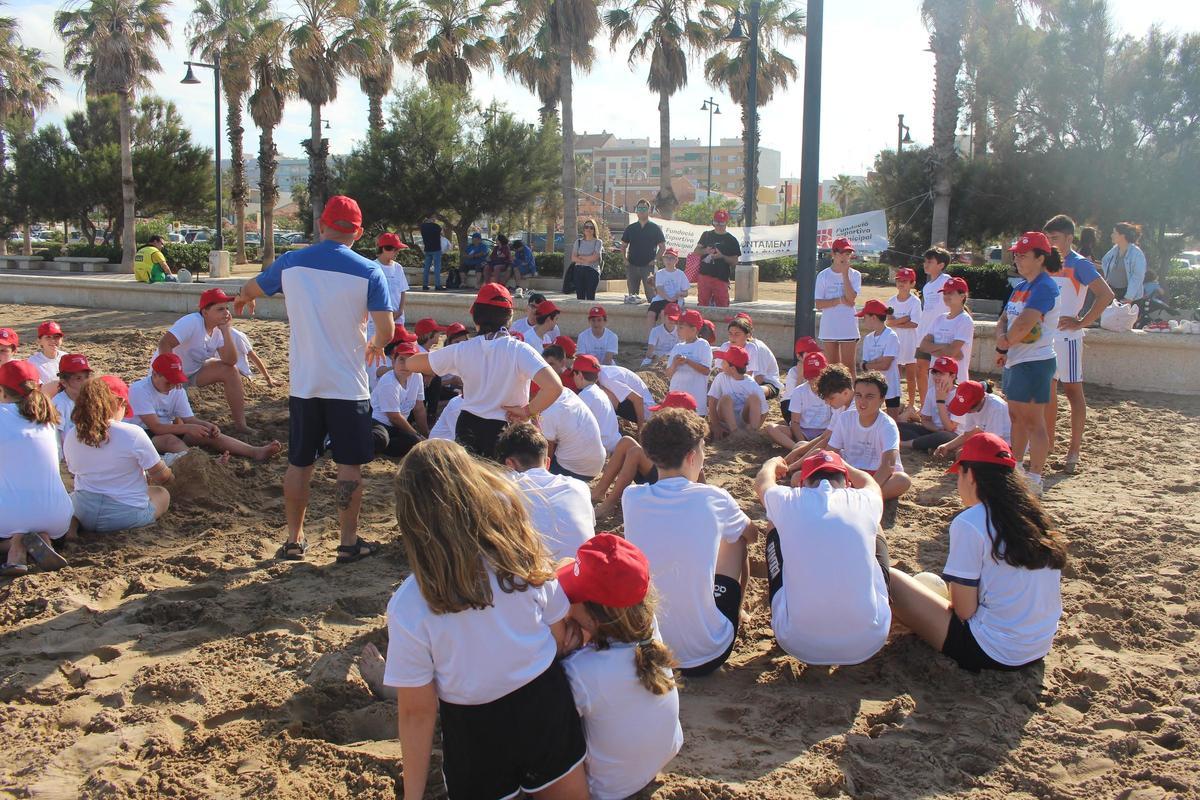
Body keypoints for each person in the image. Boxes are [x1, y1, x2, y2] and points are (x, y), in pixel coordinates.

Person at [384, 440, 589, 800]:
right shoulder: (521, 557)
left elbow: (417, 712)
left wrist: (412, 795)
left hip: (473, 725)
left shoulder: (409, 604)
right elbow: (558, 636)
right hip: (543, 702)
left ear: (410, 519)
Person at [234, 195, 395, 564]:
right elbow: (385, 328)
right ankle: (348, 542)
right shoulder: (370, 270)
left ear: (321, 225)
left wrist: (243, 298)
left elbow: (253, 287)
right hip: (347, 384)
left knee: (299, 463)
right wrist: (375, 344)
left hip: (305, 383)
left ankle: (293, 540)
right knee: (349, 466)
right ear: (358, 232)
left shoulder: (291, 262)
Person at [887, 433, 1066, 672]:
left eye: (958, 476)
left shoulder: (970, 521)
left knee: (891, 579)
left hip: (993, 650)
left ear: (969, 474)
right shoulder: (1034, 516)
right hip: (1039, 646)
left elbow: (964, 610)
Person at [622, 407, 757, 676]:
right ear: (692, 456)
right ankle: (737, 612)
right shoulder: (714, 498)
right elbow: (751, 534)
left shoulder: (632, 497)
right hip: (707, 653)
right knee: (736, 538)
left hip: (652, 652)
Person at [557, 535, 683, 800]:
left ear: (595, 618)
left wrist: (561, 649)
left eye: (571, 598)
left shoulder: (581, 671)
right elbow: (567, 565)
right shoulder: (649, 627)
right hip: (659, 757)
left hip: (606, 789)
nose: (566, 602)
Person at [754, 450, 891, 665]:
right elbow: (870, 483)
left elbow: (762, 484)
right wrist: (845, 463)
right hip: (869, 639)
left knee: (774, 518)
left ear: (803, 483)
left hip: (797, 640)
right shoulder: (863, 499)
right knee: (874, 520)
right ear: (846, 482)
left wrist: (771, 463)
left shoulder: (789, 498)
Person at [406, 283, 563, 459]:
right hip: (506, 430)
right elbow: (554, 387)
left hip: (469, 425)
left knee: (472, 482)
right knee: (500, 482)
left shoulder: (462, 349)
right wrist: (528, 411)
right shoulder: (519, 350)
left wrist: (410, 343)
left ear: (475, 316)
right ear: (509, 317)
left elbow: (412, 364)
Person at [1042, 215, 1115, 473]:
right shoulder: (1046, 263)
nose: (1050, 243)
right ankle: (1047, 445)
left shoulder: (1079, 264)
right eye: (1048, 238)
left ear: (1069, 238)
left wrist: (1082, 321)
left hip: (1069, 339)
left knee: (1073, 393)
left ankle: (1074, 449)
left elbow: (1106, 294)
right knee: (1048, 392)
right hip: (1047, 337)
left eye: (1055, 238)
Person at [996, 231, 1062, 496]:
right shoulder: (1021, 286)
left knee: (1034, 421)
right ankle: (1018, 468)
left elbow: (1025, 323)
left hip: (1035, 362)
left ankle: (1035, 477)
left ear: (1040, 257)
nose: (1018, 259)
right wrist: (1004, 342)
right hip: (1016, 359)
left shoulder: (1045, 286)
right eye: (1016, 255)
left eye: (1023, 255)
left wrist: (1003, 343)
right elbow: (1005, 318)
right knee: (1016, 418)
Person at [64, 375, 173, 534]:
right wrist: (171, 477)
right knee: (162, 494)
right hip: (125, 516)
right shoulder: (132, 433)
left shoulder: (72, 434)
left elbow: (74, 471)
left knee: (72, 497)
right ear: (119, 403)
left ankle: (71, 529)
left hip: (86, 514)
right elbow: (161, 476)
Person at [129, 353, 282, 462]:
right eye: (169, 381)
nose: (173, 386)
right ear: (155, 374)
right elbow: (156, 428)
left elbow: (190, 419)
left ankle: (254, 451)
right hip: (140, 434)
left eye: (176, 380)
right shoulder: (139, 390)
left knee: (207, 434)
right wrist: (187, 428)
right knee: (170, 440)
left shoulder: (177, 389)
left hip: (167, 429)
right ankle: (205, 463)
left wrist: (207, 425)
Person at [0, 360, 73, 577]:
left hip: (9, 517)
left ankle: (17, 546)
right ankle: (41, 539)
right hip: (57, 515)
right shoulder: (46, 418)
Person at [155, 288, 254, 435]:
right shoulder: (192, 322)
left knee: (231, 371)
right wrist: (172, 374)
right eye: (220, 309)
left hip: (193, 372)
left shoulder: (218, 329)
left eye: (226, 308)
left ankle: (241, 424)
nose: (226, 313)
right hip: (168, 374)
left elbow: (230, 360)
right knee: (179, 430)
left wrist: (226, 331)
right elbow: (164, 343)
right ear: (205, 312)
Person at [496, 423, 595, 563]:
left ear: (509, 464)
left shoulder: (504, 490)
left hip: (538, 578)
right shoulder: (579, 487)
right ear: (547, 463)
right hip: (580, 574)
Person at [827, 373, 911, 525]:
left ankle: (855, 500)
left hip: (878, 476)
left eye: (869, 396)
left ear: (882, 399)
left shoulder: (887, 425)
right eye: (858, 395)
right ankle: (855, 500)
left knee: (902, 480)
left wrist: (868, 489)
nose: (862, 401)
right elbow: (830, 453)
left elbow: (888, 465)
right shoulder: (845, 418)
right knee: (799, 477)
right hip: (850, 473)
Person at [780, 362, 856, 464]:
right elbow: (825, 436)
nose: (828, 403)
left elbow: (828, 441)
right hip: (839, 452)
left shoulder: (853, 410)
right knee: (801, 446)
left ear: (846, 393)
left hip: (851, 459)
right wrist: (796, 452)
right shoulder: (841, 405)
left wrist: (796, 464)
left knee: (814, 455)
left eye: (831, 398)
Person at [536, 370, 606, 481]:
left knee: (532, 456)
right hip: (596, 464)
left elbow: (546, 452)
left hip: (574, 470)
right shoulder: (566, 393)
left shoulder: (549, 412)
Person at [370, 341, 429, 459]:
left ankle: (382, 450)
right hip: (378, 422)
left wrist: (426, 436)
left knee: (412, 441)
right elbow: (393, 417)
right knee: (381, 438)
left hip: (397, 425)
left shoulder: (417, 377)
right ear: (393, 361)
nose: (405, 364)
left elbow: (419, 408)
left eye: (410, 361)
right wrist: (418, 436)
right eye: (402, 359)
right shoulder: (389, 382)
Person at [766, 351, 832, 451]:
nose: (814, 380)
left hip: (825, 432)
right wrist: (802, 442)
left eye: (817, 376)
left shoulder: (833, 391)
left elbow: (836, 422)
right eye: (811, 377)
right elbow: (795, 422)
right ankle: (798, 449)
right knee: (771, 428)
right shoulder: (800, 391)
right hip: (803, 431)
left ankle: (802, 451)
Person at [815, 238, 862, 374]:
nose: (845, 257)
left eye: (848, 254)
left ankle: (851, 395)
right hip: (829, 326)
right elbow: (818, 304)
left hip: (848, 325)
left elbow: (851, 298)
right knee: (832, 368)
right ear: (833, 254)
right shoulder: (823, 276)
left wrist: (845, 274)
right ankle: (835, 395)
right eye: (842, 253)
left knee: (849, 367)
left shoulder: (855, 275)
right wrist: (839, 300)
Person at [933, 380, 1012, 459]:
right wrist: (947, 446)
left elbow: (996, 442)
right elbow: (967, 434)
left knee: (963, 454)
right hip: (992, 438)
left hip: (1007, 445)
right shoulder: (971, 407)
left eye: (968, 408)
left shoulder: (995, 408)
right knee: (962, 453)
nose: (967, 411)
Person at [899, 355, 962, 453]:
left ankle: (906, 444)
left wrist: (940, 401)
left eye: (941, 374)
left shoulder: (960, 395)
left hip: (953, 436)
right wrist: (936, 429)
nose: (936, 377)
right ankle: (928, 446)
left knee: (945, 436)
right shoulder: (932, 391)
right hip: (934, 431)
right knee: (898, 426)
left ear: (952, 376)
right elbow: (925, 420)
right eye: (935, 373)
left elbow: (950, 428)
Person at [917, 275, 973, 384]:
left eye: (951, 293)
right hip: (935, 377)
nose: (946, 296)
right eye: (945, 293)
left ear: (962, 296)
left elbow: (951, 352)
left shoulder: (965, 320)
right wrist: (945, 346)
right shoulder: (939, 318)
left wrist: (933, 349)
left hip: (955, 381)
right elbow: (923, 346)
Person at [914, 246, 952, 405]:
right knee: (921, 370)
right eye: (925, 261)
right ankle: (924, 406)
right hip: (923, 335)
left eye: (930, 261)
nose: (925, 264)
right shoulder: (927, 286)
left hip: (940, 336)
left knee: (939, 373)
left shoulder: (947, 281)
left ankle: (941, 405)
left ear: (941, 265)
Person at [706, 345, 768, 439]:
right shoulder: (721, 377)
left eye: (724, 362)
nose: (721, 364)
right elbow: (712, 401)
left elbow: (764, 412)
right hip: (724, 420)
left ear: (733, 368)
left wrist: (757, 425)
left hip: (744, 419)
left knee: (754, 398)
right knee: (726, 399)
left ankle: (752, 431)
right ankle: (734, 431)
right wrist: (716, 425)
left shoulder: (752, 384)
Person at [719, 313, 782, 399]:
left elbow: (759, 378)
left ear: (748, 333)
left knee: (754, 393)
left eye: (737, 333)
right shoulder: (727, 346)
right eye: (731, 332)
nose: (733, 336)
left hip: (767, 383)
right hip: (742, 380)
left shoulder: (757, 347)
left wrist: (739, 390)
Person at [858, 300, 902, 418]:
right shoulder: (868, 338)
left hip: (891, 384)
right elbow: (863, 365)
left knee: (893, 418)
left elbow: (885, 365)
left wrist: (869, 364)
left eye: (865, 317)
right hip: (873, 385)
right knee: (872, 416)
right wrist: (878, 361)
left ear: (873, 317)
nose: (863, 320)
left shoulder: (891, 336)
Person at [887, 267, 922, 413]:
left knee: (910, 375)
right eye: (899, 280)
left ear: (912, 284)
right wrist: (905, 318)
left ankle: (911, 403)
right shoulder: (891, 301)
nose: (902, 283)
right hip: (895, 341)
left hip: (910, 342)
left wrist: (898, 321)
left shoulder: (915, 302)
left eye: (905, 281)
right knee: (894, 374)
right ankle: (896, 401)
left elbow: (914, 323)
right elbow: (888, 322)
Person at [665, 309, 713, 416]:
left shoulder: (703, 345)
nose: (678, 330)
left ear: (694, 329)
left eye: (681, 327)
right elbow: (668, 374)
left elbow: (706, 370)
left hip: (695, 400)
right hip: (676, 397)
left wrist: (687, 361)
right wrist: (674, 364)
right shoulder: (677, 347)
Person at [693, 208, 742, 308]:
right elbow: (696, 252)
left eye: (722, 223)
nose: (719, 225)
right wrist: (706, 251)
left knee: (722, 306)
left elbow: (734, 261)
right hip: (704, 276)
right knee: (702, 305)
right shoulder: (706, 235)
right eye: (716, 222)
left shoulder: (731, 240)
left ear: (726, 223)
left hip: (721, 278)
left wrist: (722, 256)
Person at [621, 199, 666, 304]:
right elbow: (623, 246)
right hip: (632, 266)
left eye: (644, 208)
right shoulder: (630, 228)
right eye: (639, 208)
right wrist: (625, 260)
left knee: (652, 297)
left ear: (649, 211)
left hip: (648, 267)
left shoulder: (655, 228)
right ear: (636, 210)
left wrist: (655, 260)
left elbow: (662, 247)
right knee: (632, 298)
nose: (641, 210)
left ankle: (653, 317)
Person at [368, 233, 409, 342]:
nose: (397, 253)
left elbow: (402, 291)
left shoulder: (398, 268)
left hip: (397, 319)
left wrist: (400, 310)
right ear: (385, 249)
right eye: (395, 250)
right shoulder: (372, 267)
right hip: (377, 321)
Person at [1100, 221, 1146, 302]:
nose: (1111, 235)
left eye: (1114, 233)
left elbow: (1137, 277)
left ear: (1122, 236)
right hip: (1111, 291)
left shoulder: (1137, 253)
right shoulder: (1115, 249)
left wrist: (1129, 297)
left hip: (1125, 295)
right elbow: (1104, 262)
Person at [52, 353, 92, 445]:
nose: (85, 382)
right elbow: (55, 438)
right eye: (78, 378)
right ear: (64, 382)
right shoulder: (59, 404)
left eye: (87, 377)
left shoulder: (92, 399)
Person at [779, 336, 823, 420]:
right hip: (791, 404)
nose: (813, 356)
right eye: (809, 353)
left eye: (815, 352)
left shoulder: (820, 366)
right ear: (799, 356)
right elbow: (795, 398)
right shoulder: (794, 371)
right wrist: (800, 375)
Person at [648, 247, 690, 333]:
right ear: (663, 259)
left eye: (671, 258)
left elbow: (686, 293)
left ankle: (665, 338)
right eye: (666, 257)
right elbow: (659, 290)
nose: (668, 260)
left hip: (675, 300)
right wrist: (669, 298)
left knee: (664, 313)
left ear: (676, 260)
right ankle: (651, 339)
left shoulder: (680, 274)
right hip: (661, 299)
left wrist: (679, 294)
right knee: (650, 315)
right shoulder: (660, 273)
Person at [28, 320, 64, 397]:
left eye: (56, 337)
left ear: (61, 340)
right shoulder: (32, 362)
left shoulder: (66, 357)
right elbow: (37, 390)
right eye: (48, 337)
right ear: (39, 341)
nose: (53, 340)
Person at [572, 219, 605, 300]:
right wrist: (587, 259)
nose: (588, 229)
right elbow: (573, 258)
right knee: (580, 297)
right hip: (578, 271)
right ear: (583, 229)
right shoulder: (578, 242)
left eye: (591, 227)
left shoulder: (598, 242)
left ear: (594, 229)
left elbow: (594, 258)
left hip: (592, 271)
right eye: (586, 227)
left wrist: (580, 257)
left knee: (590, 296)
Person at [643, 302, 681, 367]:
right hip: (655, 358)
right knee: (644, 365)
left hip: (673, 358)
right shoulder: (655, 331)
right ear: (664, 316)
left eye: (674, 319)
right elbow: (649, 353)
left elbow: (681, 350)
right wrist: (655, 357)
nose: (672, 321)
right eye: (670, 318)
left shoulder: (680, 331)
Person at [418, 213, 443, 291]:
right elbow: (441, 233)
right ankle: (437, 285)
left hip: (427, 249)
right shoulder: (436, 226)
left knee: (426, 268)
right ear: (432, 218)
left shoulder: (423, 227)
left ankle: (425, 285)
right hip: (436, 249)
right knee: (437, 268)